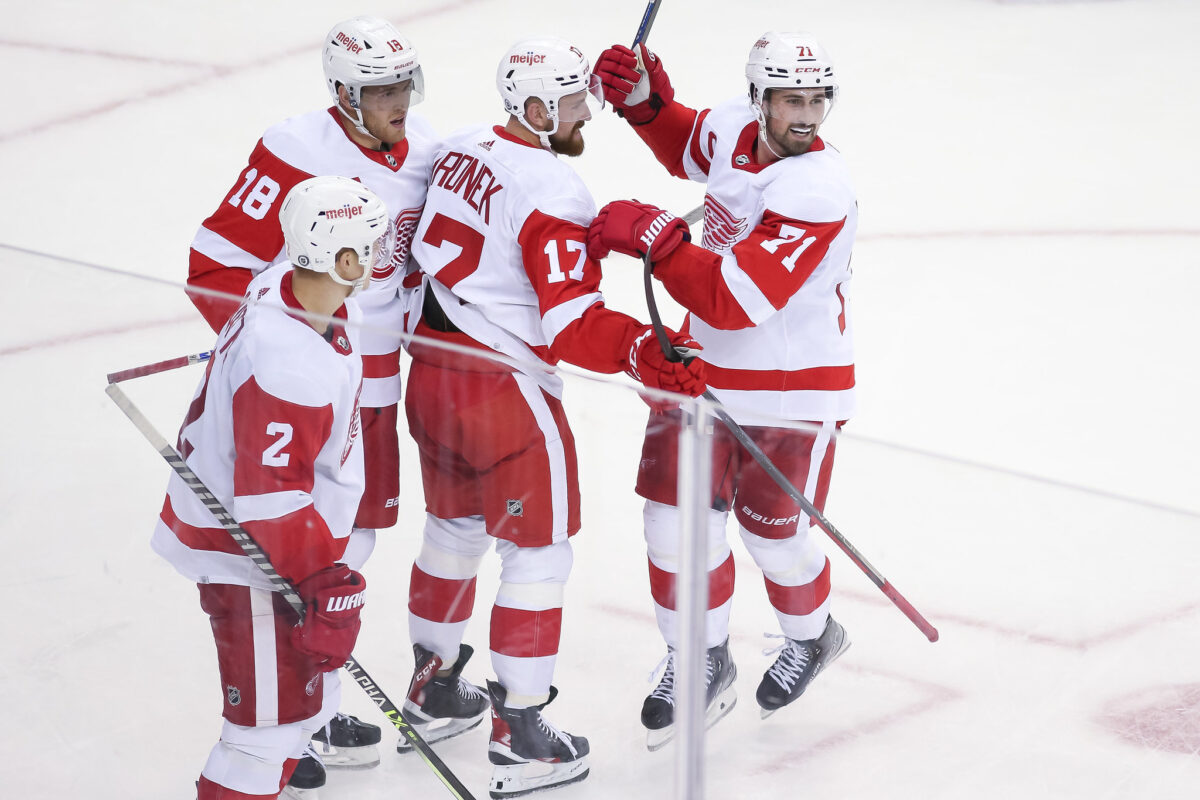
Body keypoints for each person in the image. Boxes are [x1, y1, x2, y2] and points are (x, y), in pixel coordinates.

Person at [400, 36, 706, 797]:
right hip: (504, 394)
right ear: (534, 109)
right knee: (539, 557)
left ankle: (432, 688)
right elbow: (570, 326)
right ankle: (523, 731)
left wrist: (584, 245)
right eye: (573, 103)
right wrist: (643, 346)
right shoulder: (555, 192)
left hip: (430, 372)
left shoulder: (463, 146)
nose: (588, 114)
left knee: (453, 532)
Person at [184, 15, 439, 788]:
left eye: (404, 83)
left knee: (351, 542)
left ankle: (313, 711)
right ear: (341, 93)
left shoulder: (426, 148)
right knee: (303, 542)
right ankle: (298, 718)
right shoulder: (294, 150)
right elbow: (214, 264)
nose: (397, 99)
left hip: (375, 382)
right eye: (378, 89)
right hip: (308, 391)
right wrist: (265, 357)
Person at [587, 31, 858, 749]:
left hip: (793, 394)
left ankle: (813, 635)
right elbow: (687, 146)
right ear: (759, 99)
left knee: (775, 539)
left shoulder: (817, 188)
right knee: (673, 527)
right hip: (702, 375)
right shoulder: (738, 130)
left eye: (817, 100)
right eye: (791, 100)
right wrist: (646, 105)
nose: (807, 115)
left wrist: (659, 241)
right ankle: (700, 660)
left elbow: (733, 301)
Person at [151, 176, 392, 799]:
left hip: (280, 546)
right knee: (261, 737)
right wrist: (322, 585)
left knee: (296, 719)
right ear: (341, 259)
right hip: (252, 561)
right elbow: (271, 501)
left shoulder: (291, 287)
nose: (383, 252)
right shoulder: (285, 362)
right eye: (371, 243)